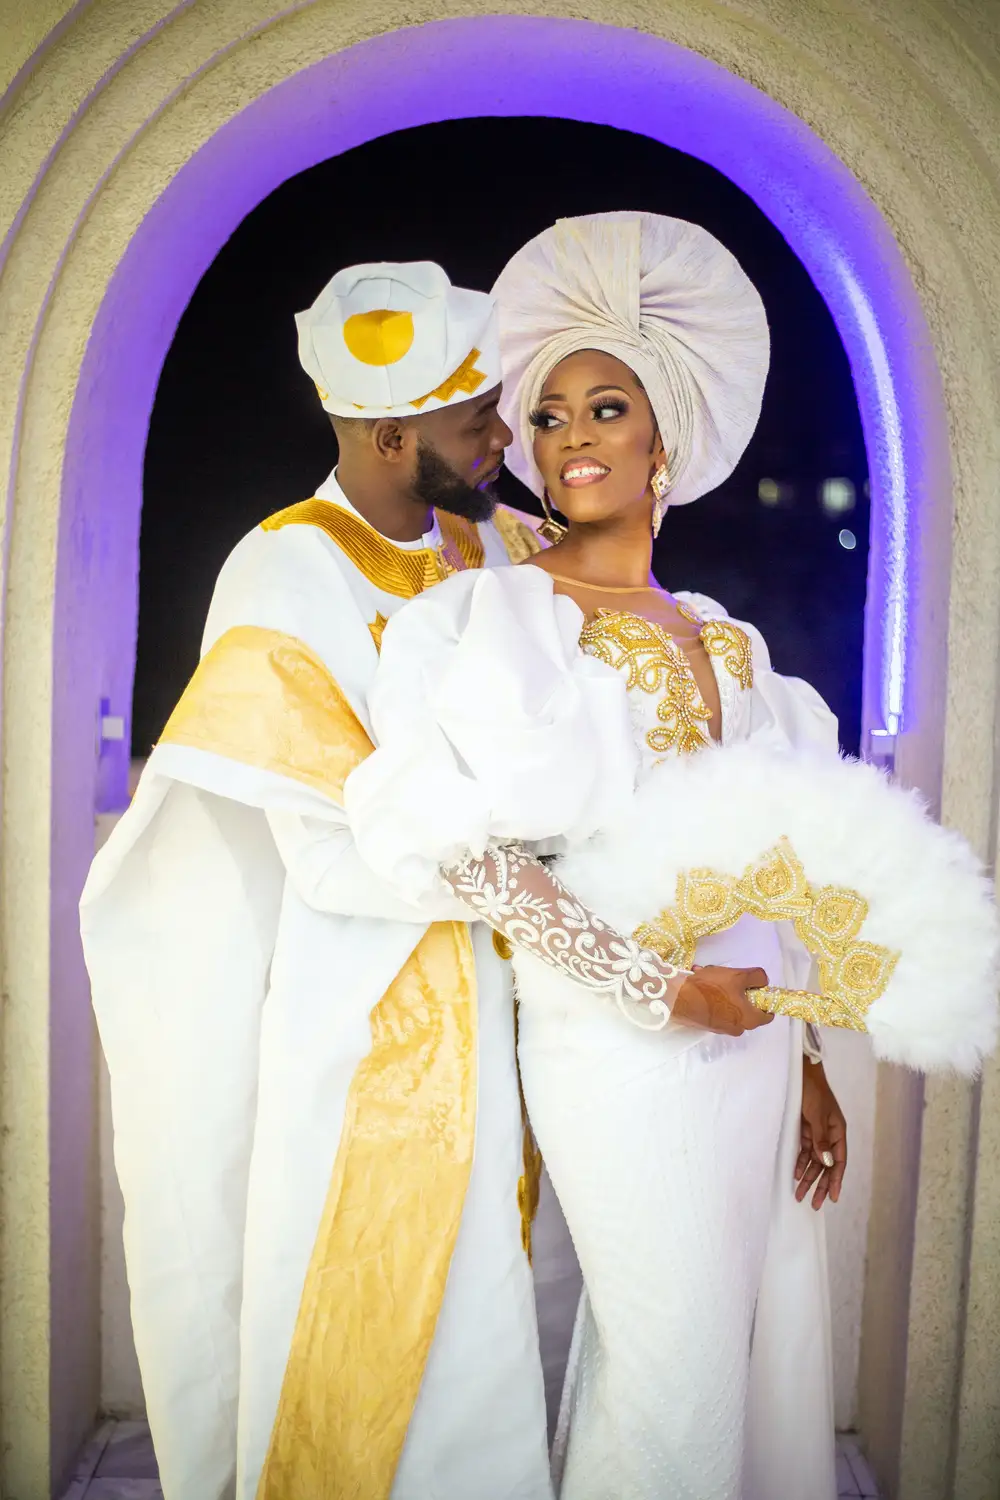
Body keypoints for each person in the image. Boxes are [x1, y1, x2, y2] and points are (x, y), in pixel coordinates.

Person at [340, 213, 848, 1500]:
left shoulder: (728, 638)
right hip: (618, 1043)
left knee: (719, 1361)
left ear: (662, 438)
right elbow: (469, 854)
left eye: (604, 408)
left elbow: (772, 870)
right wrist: (660, 992)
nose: (569, 440)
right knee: (670, 1371)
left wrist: (807, 1063)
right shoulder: (493, 616)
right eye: (550, 415)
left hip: (752, 1042)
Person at [80, 260, 559, 1500]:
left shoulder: (485, 541)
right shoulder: (282, 574)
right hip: (369, 1018)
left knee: (494, 1324)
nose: (503, 436)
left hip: (509, 997)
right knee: (374, 1320)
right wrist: (525, 866)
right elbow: (331, 845)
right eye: (476, 419)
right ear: (392, 432)